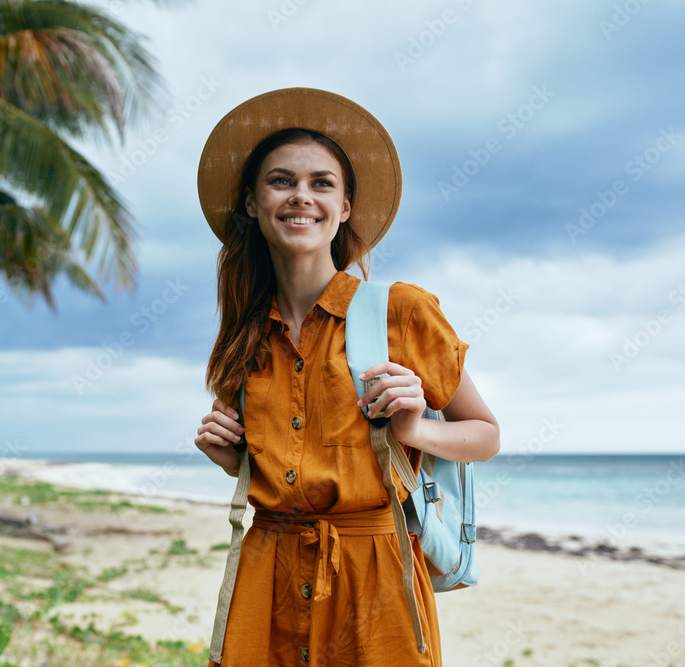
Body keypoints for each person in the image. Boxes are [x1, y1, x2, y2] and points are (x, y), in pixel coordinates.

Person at [194, 88, 500, 666]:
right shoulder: (243, 334)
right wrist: (237, 462)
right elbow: (278, 464)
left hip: (377, 582)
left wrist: (416, 431)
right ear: (254, 204)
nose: (300, 197)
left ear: (346, 207)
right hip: (266, 576)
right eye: (280, 181)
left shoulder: (400, 311)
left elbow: (485, 434)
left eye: (321, 183)